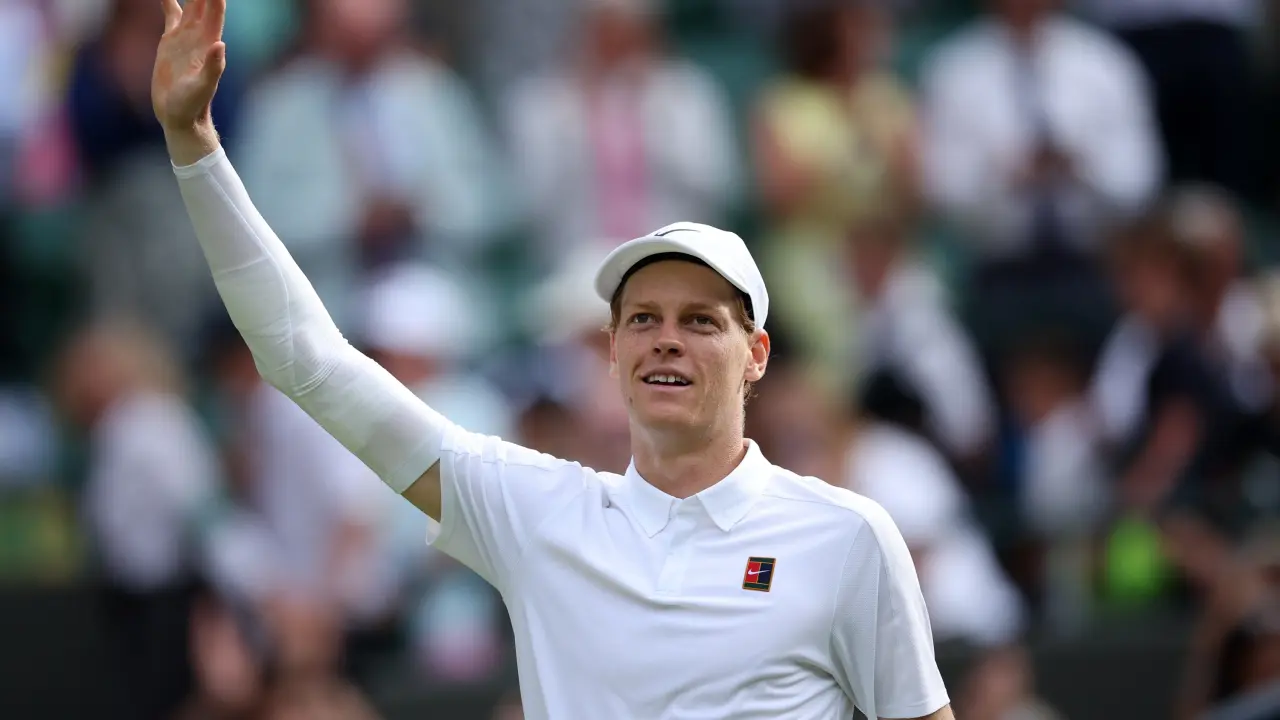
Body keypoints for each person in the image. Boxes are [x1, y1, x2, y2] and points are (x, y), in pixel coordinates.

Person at [150, 1, 953, 718]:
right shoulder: (536, 512)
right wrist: (195, 146)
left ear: (757, 355)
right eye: (642, 319)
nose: (666, 337)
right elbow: (304, 358)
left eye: (701, 321)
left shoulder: (848, 537)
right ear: (613, 351)